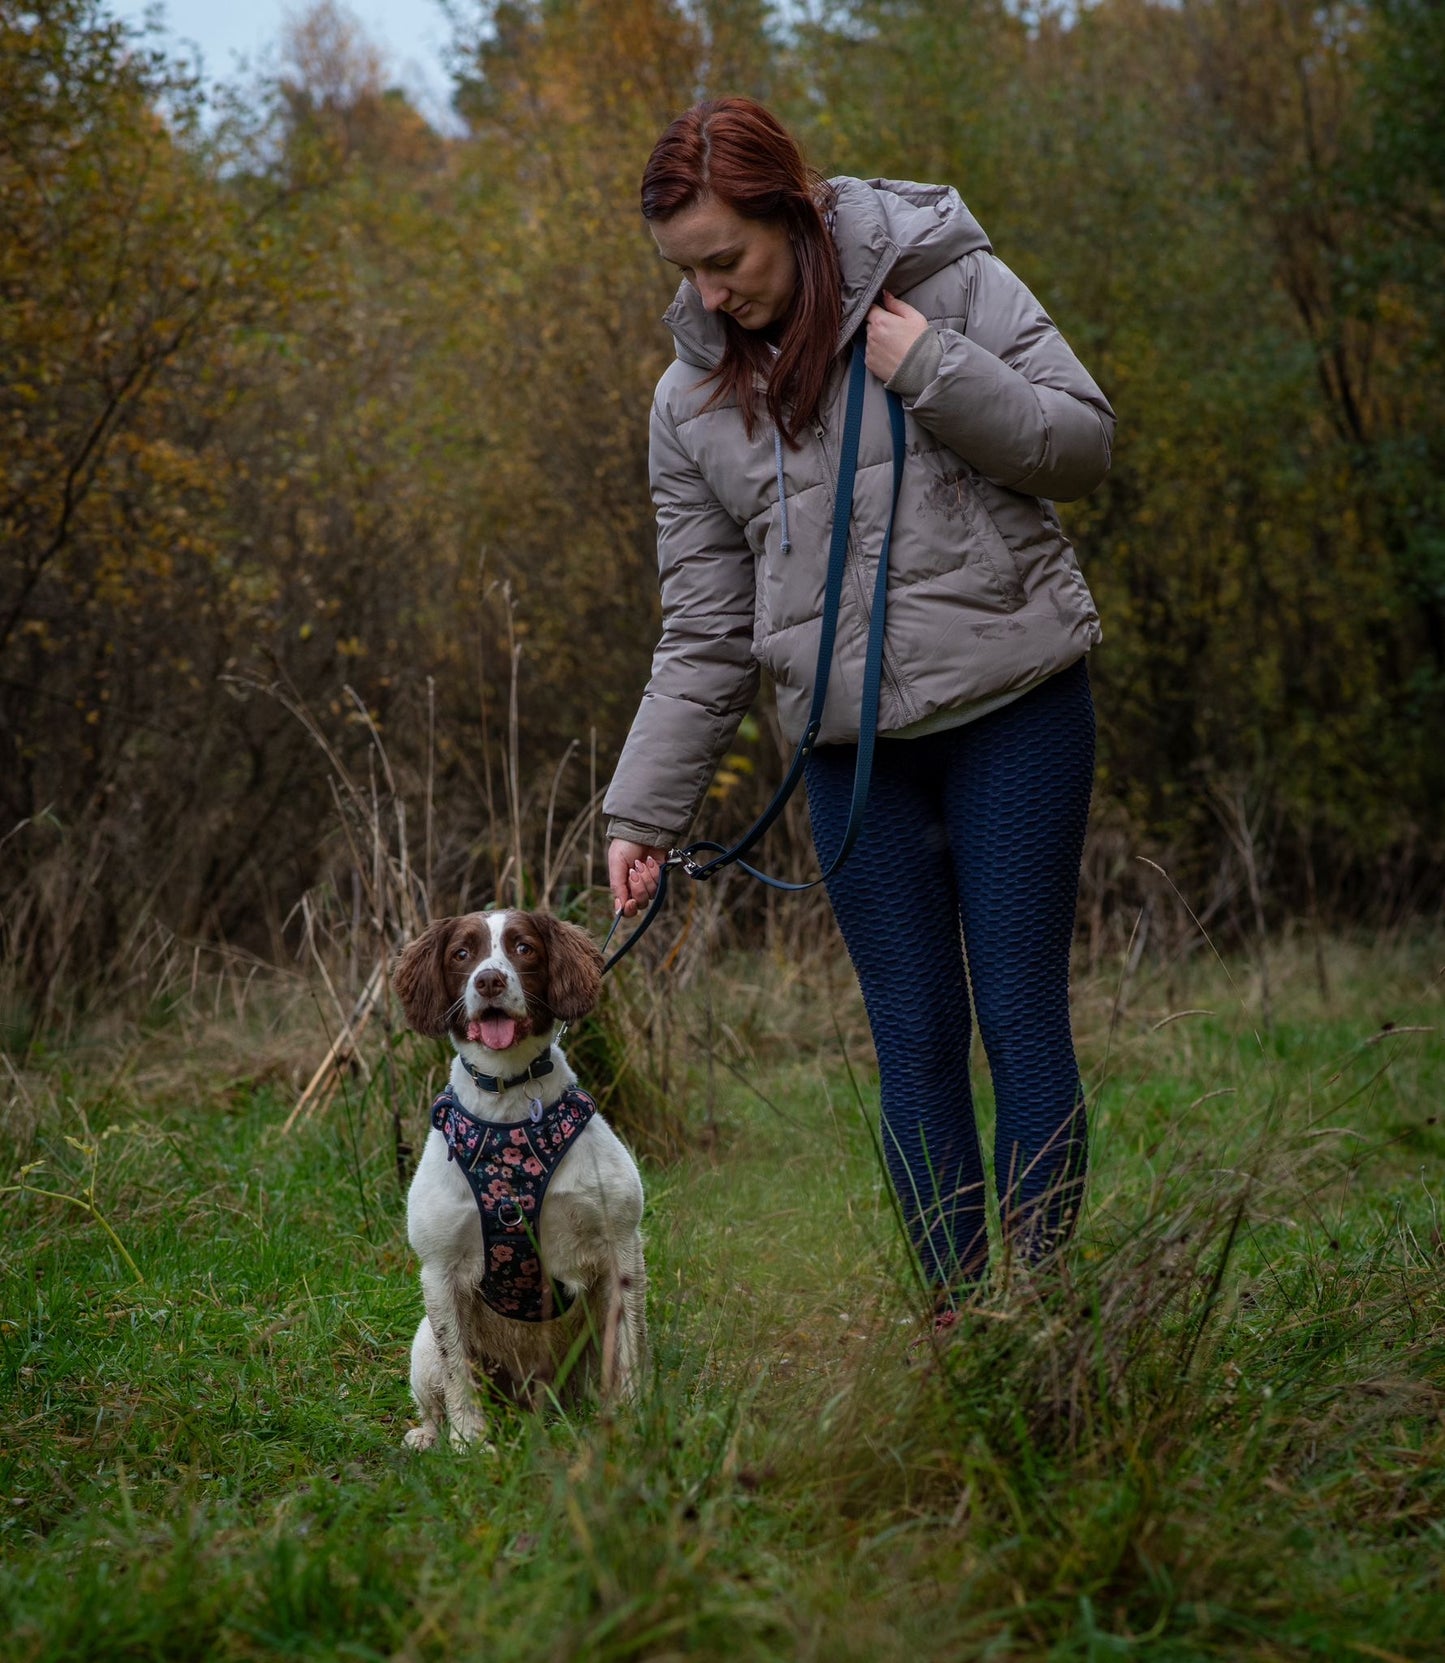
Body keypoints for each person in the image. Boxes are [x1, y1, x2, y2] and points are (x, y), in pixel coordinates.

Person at [604, 97, 1114, 1311]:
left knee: (1018, 1021)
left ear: (792, 207)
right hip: (847, 761)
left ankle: (1033, 1324)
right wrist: (642, 815)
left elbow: (1082, 445)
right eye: (688, 274)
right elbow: (705, 633)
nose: (712, 295)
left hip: (1015, 713)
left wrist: (931, 369)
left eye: (726, 260)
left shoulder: (948, 279)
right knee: (914, 1048)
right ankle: (959, 1331)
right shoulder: (691, 400)